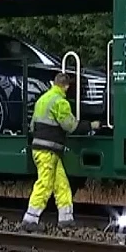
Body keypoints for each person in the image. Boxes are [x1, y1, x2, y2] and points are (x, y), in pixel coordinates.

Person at [21, 73, 101, 232]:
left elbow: (32, 127)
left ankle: (66, 219)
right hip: (48, 151)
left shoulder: (42, 100)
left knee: (61, 184)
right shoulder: (60, 102)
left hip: (41, 149)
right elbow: (71, 126)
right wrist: (92, 126)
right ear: (66, 86)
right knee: (45, 184)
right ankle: (30, 220)